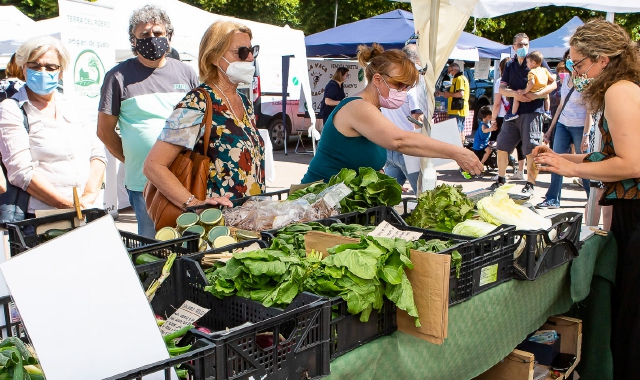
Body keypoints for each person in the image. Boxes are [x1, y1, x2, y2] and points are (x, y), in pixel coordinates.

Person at [532, 19, 640, 378]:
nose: (574, 72)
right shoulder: (625, 86)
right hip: (630, 211)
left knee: (632, 316)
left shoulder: (619, 90)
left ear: (603, 59)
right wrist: (562, 160)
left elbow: (632, 164)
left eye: (577, 64)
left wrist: (572, 170)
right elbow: (614, 156)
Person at [301, 44, 482, 184]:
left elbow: (352, 155)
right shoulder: (358, 107)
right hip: (318, 201)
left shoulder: (373, 109)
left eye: (407, 87)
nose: (403, 92)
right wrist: (456, 152)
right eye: (399, 86)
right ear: (378, 80)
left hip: (341, 203)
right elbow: (400, 141)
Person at [97, 5, 199, 237]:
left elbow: (198, 124)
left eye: (158, 33)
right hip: (144, 183)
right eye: (144, 35)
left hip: (185, 180)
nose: (152, 39)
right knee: (153, 249)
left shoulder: (186, 73)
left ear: (168, 36)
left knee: (189, 245)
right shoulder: (118, 77)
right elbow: (104, 131)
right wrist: (134, 158)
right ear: (133, 41)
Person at [144, 20, 265, 212]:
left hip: (248, 221)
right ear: (215, 57)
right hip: (215, 228)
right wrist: (193, 204)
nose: (250, 58)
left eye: (252, 50)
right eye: (241, 52)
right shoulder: (197, 102)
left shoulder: (244, 101)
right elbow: (153, 165)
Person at [0, 36, 106, 219]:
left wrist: (88, 198)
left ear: (61, 72)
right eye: (35, 66)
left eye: (50, 67)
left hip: (88, 210)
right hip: (41, 217)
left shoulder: (73, 104)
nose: (42, 71)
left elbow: (97, 153)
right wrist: (68, 206)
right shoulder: (12, 108)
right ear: (24, 68)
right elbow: (21, 171)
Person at [491, 32, 557, 195]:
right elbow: (502, 88)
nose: (523, 47)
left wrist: (537, 94)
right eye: (520, 44)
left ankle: (530, 184)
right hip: (512, 113)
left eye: (526, 44)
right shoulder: (510, 64)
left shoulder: (537, 61)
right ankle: (501, 179)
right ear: (514, 47)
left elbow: (554, 84)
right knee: (502, 145)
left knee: (531, 149)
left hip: (533, 112)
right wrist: (515, 94)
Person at [536, 50, 592, 209]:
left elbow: (590, 111)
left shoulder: (585, 81)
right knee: (556, 160)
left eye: (573, 59)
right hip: (562, 124)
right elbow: (561, 106)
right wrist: (550, 130)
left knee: (584, 163)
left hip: (580, 126)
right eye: (568, 58)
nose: (570, 62)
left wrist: (586, 135)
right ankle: (552, 198)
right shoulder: (566, 79)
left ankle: (591, 199)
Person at [381, 45, 425, 194]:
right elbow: (418, 118)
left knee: (387, 195)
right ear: (416, 60)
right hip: (407, 147)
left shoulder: (389, 85)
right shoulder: (411, 88)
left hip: (389, 145)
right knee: (422, 194)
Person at [491, 57, 525, 181]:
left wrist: (493, 119)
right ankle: (521, 171)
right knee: (520, 144)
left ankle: (501, 173)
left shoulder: (500, 81)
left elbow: (497, 103)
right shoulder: (518, 79)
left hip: (503, 116)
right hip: (519, 114)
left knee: (502, 145)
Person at [505, 51, 552, 121]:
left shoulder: (531, 72)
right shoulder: (544, 69)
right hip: (543, 92)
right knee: (547, 97)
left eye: (527, 62)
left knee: (516, 96)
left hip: (532, 91)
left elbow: (532, 83)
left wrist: (525, 91)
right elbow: (551, 78)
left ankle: (513, 113)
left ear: (534, 63)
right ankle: (547, 111)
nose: (526, 64)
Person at [435, 63, 469, 144]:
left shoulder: (459, 79)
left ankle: (459, 149)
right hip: (458, 109)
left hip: (457, 109)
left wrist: (449, 94)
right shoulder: (459, 78)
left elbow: (460, 94)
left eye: (449, 71)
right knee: (460, 131)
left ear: (454, 70)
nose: (448, 74)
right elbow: (452, 94)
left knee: (457, 132)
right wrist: (441, 94)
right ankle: (460, 148)